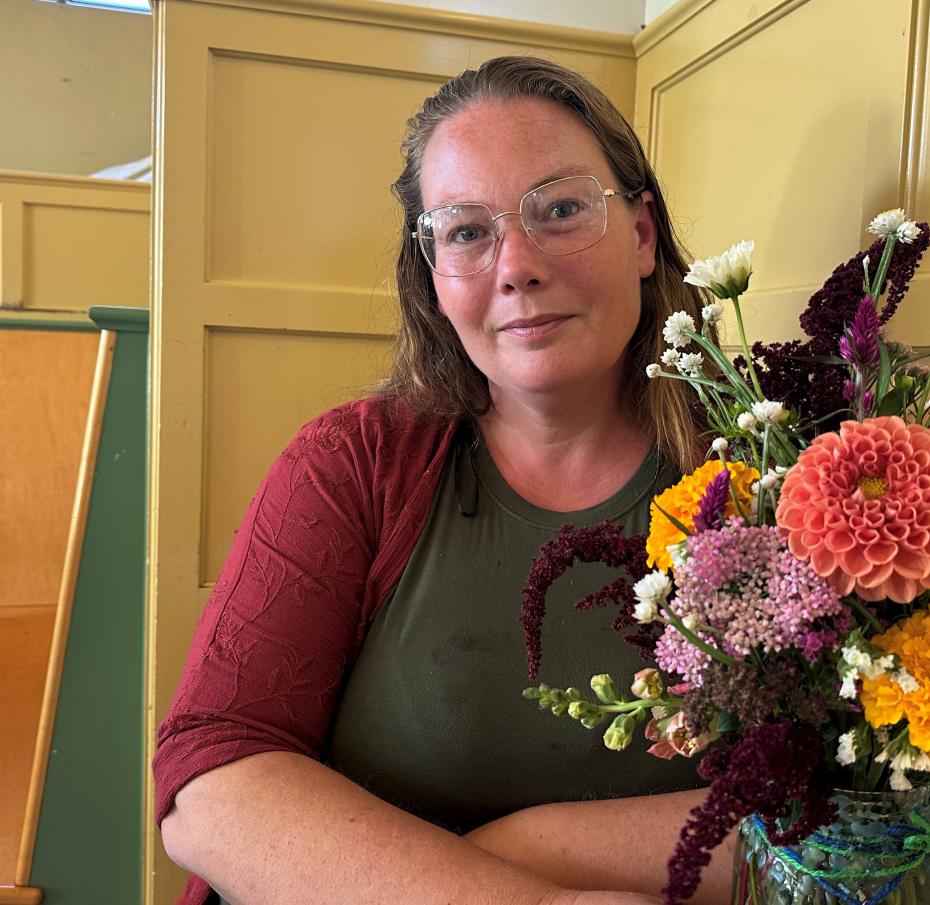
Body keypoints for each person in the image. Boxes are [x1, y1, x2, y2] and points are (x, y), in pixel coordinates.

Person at [153, 56, 732, 905]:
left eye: (563, 208)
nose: (517, 264)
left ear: (642, 234)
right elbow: (208, 772)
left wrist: (525, 846)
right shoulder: (352, 464)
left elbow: (895, 824)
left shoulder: (777, 468)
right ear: (432, 273)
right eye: (466, 231)